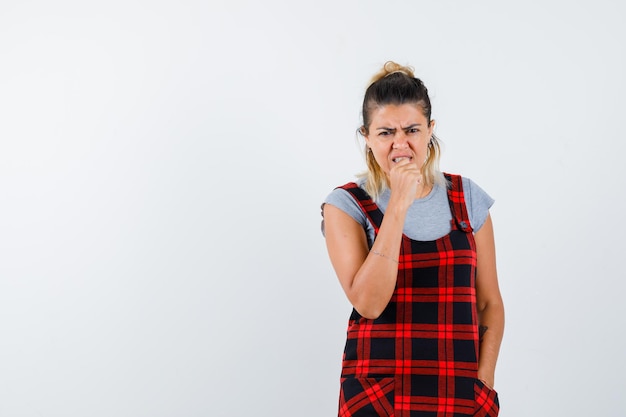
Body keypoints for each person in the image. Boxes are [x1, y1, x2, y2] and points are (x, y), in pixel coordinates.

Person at [321, 61, 505, 416]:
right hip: (378, 399)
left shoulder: (467, 198)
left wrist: (483, 380)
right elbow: (369, 305)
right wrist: (399, 203)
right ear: (367, 136)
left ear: (430, 130)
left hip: (460, 394)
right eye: (386, 132)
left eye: (412, 129)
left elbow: (489, 304)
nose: (400, 143)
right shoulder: (346, 205)